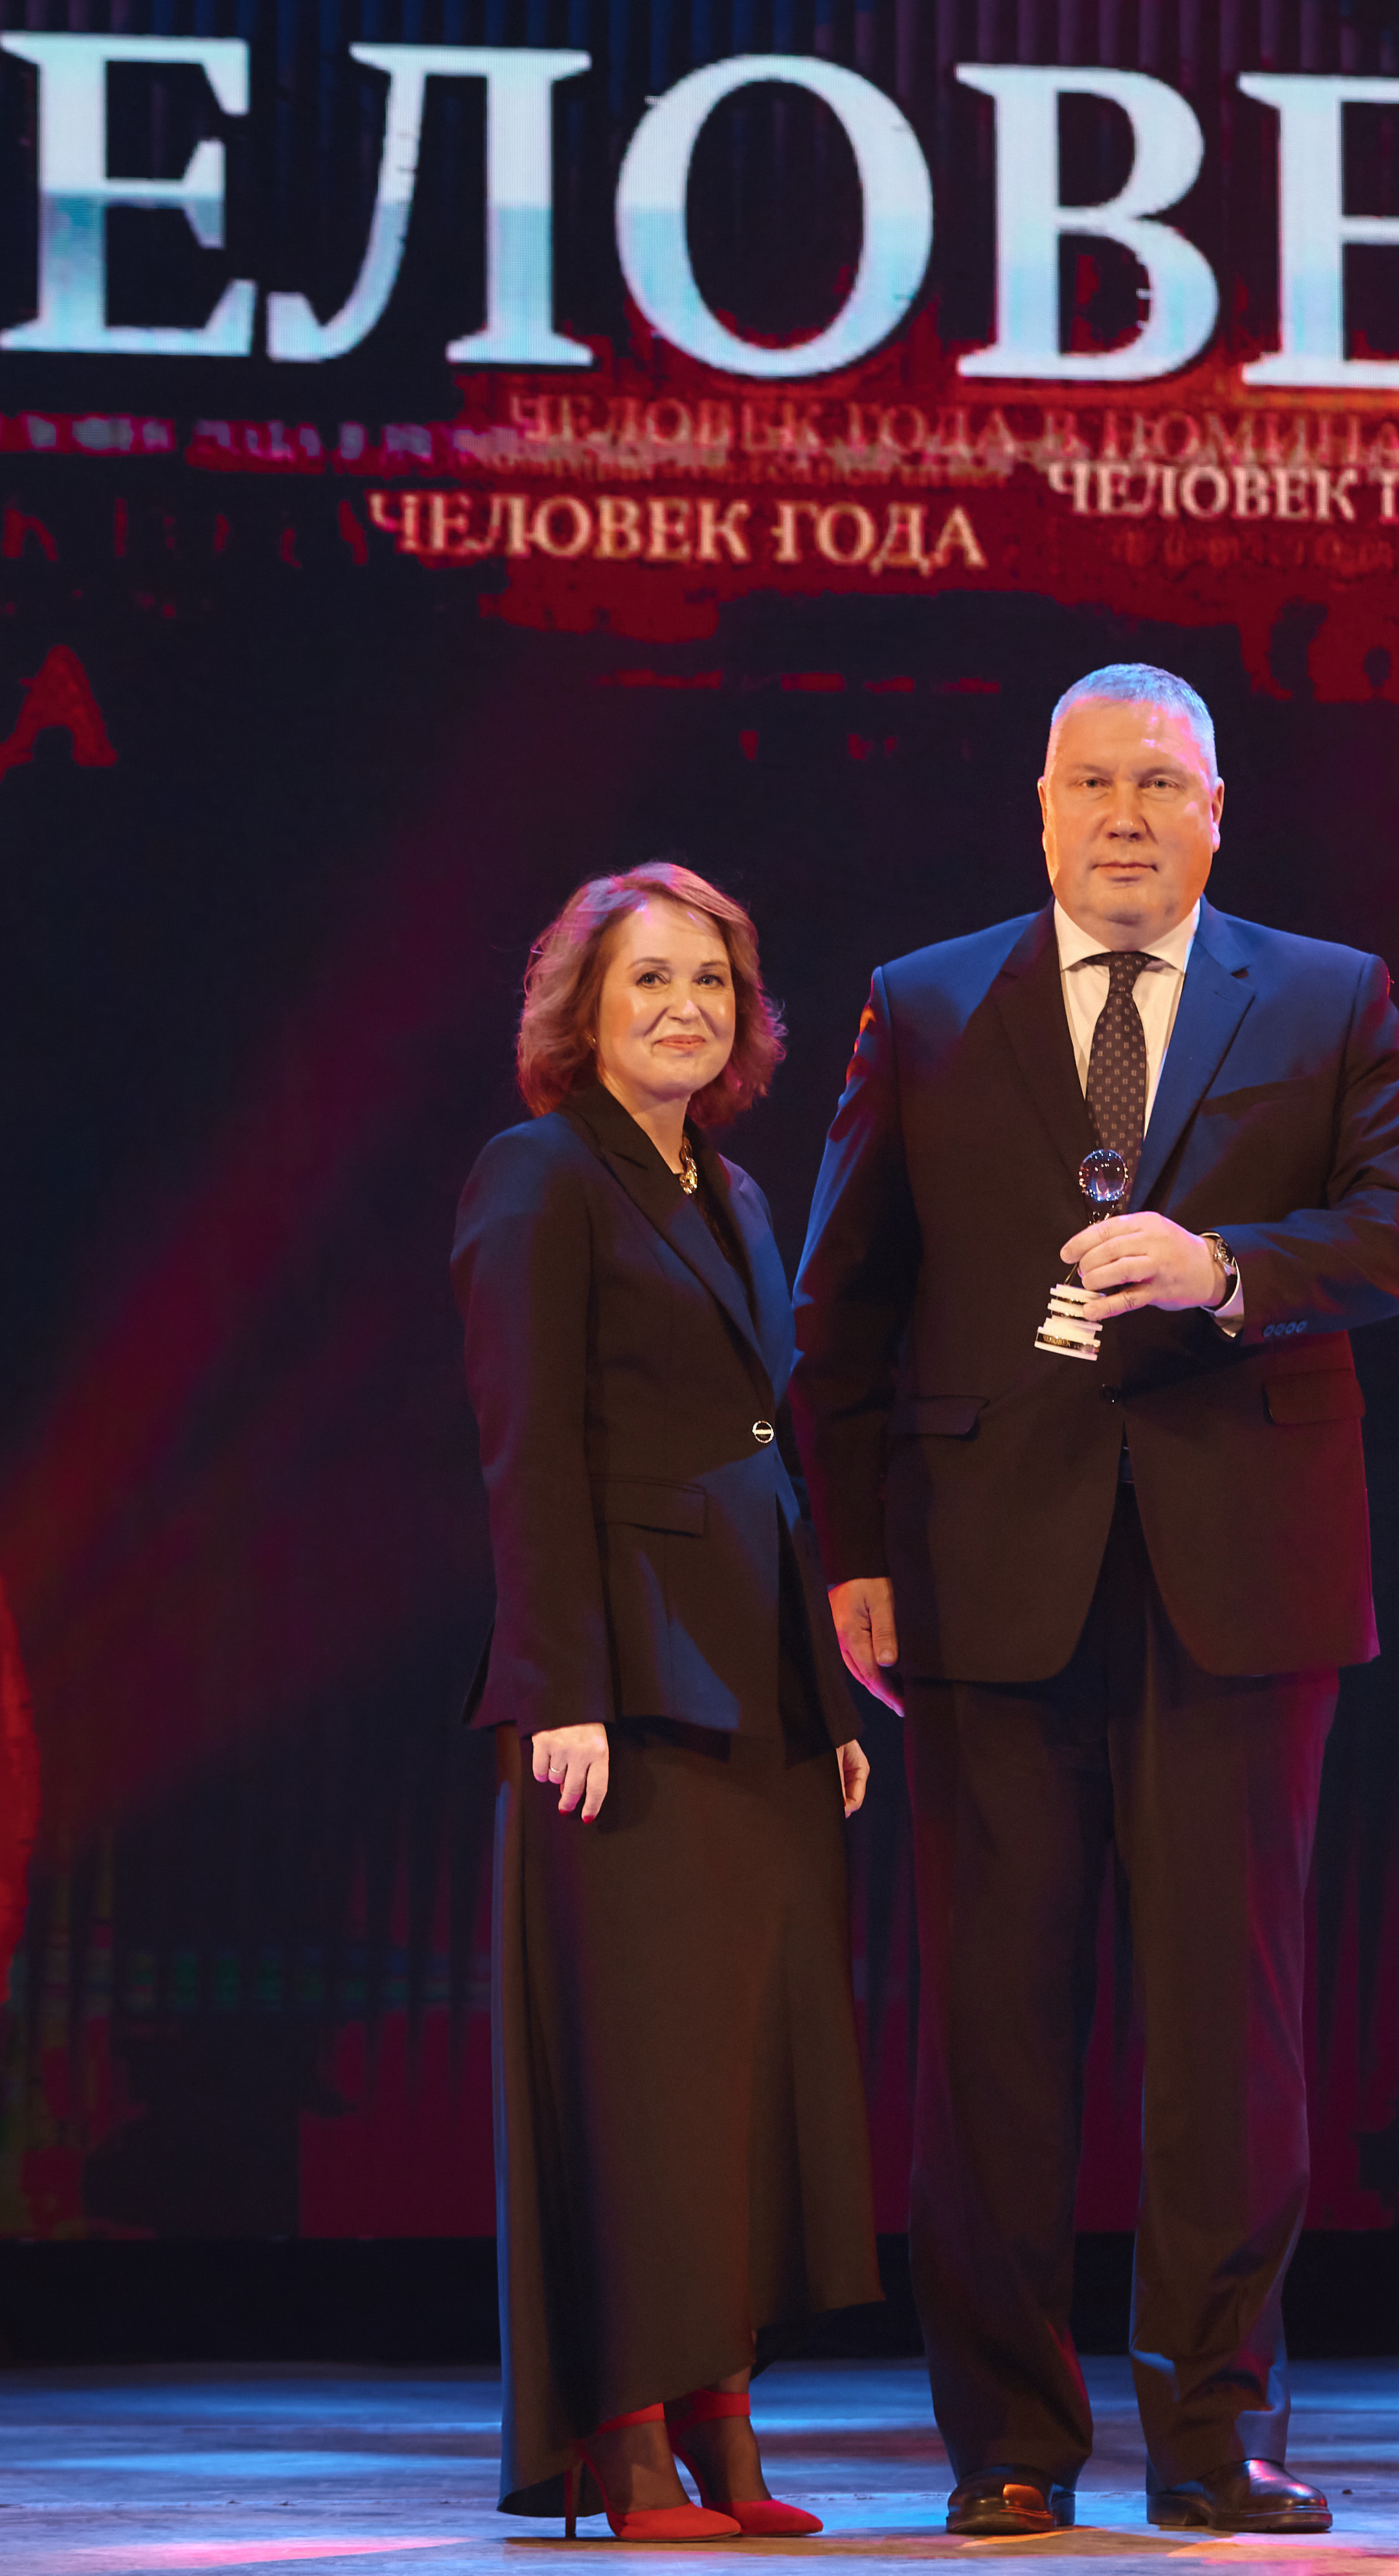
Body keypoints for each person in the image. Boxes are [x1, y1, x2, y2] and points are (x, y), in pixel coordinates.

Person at [792, 664, 1399, 2536]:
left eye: (1161, 783)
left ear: (1218, 810)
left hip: (1241, 1576)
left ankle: (1211, 2434)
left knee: (1228, 2029)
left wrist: (1225, 1264)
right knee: (992, 2032)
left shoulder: (1328, 993)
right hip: (984, 1569)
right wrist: (853, 1550)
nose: (1126, 816)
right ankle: (1006, 2439)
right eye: (1093, 783)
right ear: (1041, 807)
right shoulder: (928, 1002)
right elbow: (844, 1300)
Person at [453, 861, 881, 2542]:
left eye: (711, 980)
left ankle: (720, 2421)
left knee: (740, 2074)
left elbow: (771, 1461)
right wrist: (558, 1683)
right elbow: (528, 1450)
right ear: (583, 1008)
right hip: (621, 1693)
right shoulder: (539, 1174)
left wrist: (823, 1699)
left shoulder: (734, 1192)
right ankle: (620, 2436)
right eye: (649, 980)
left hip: (751, 1688)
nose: (686, 1008)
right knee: (639, 2076)